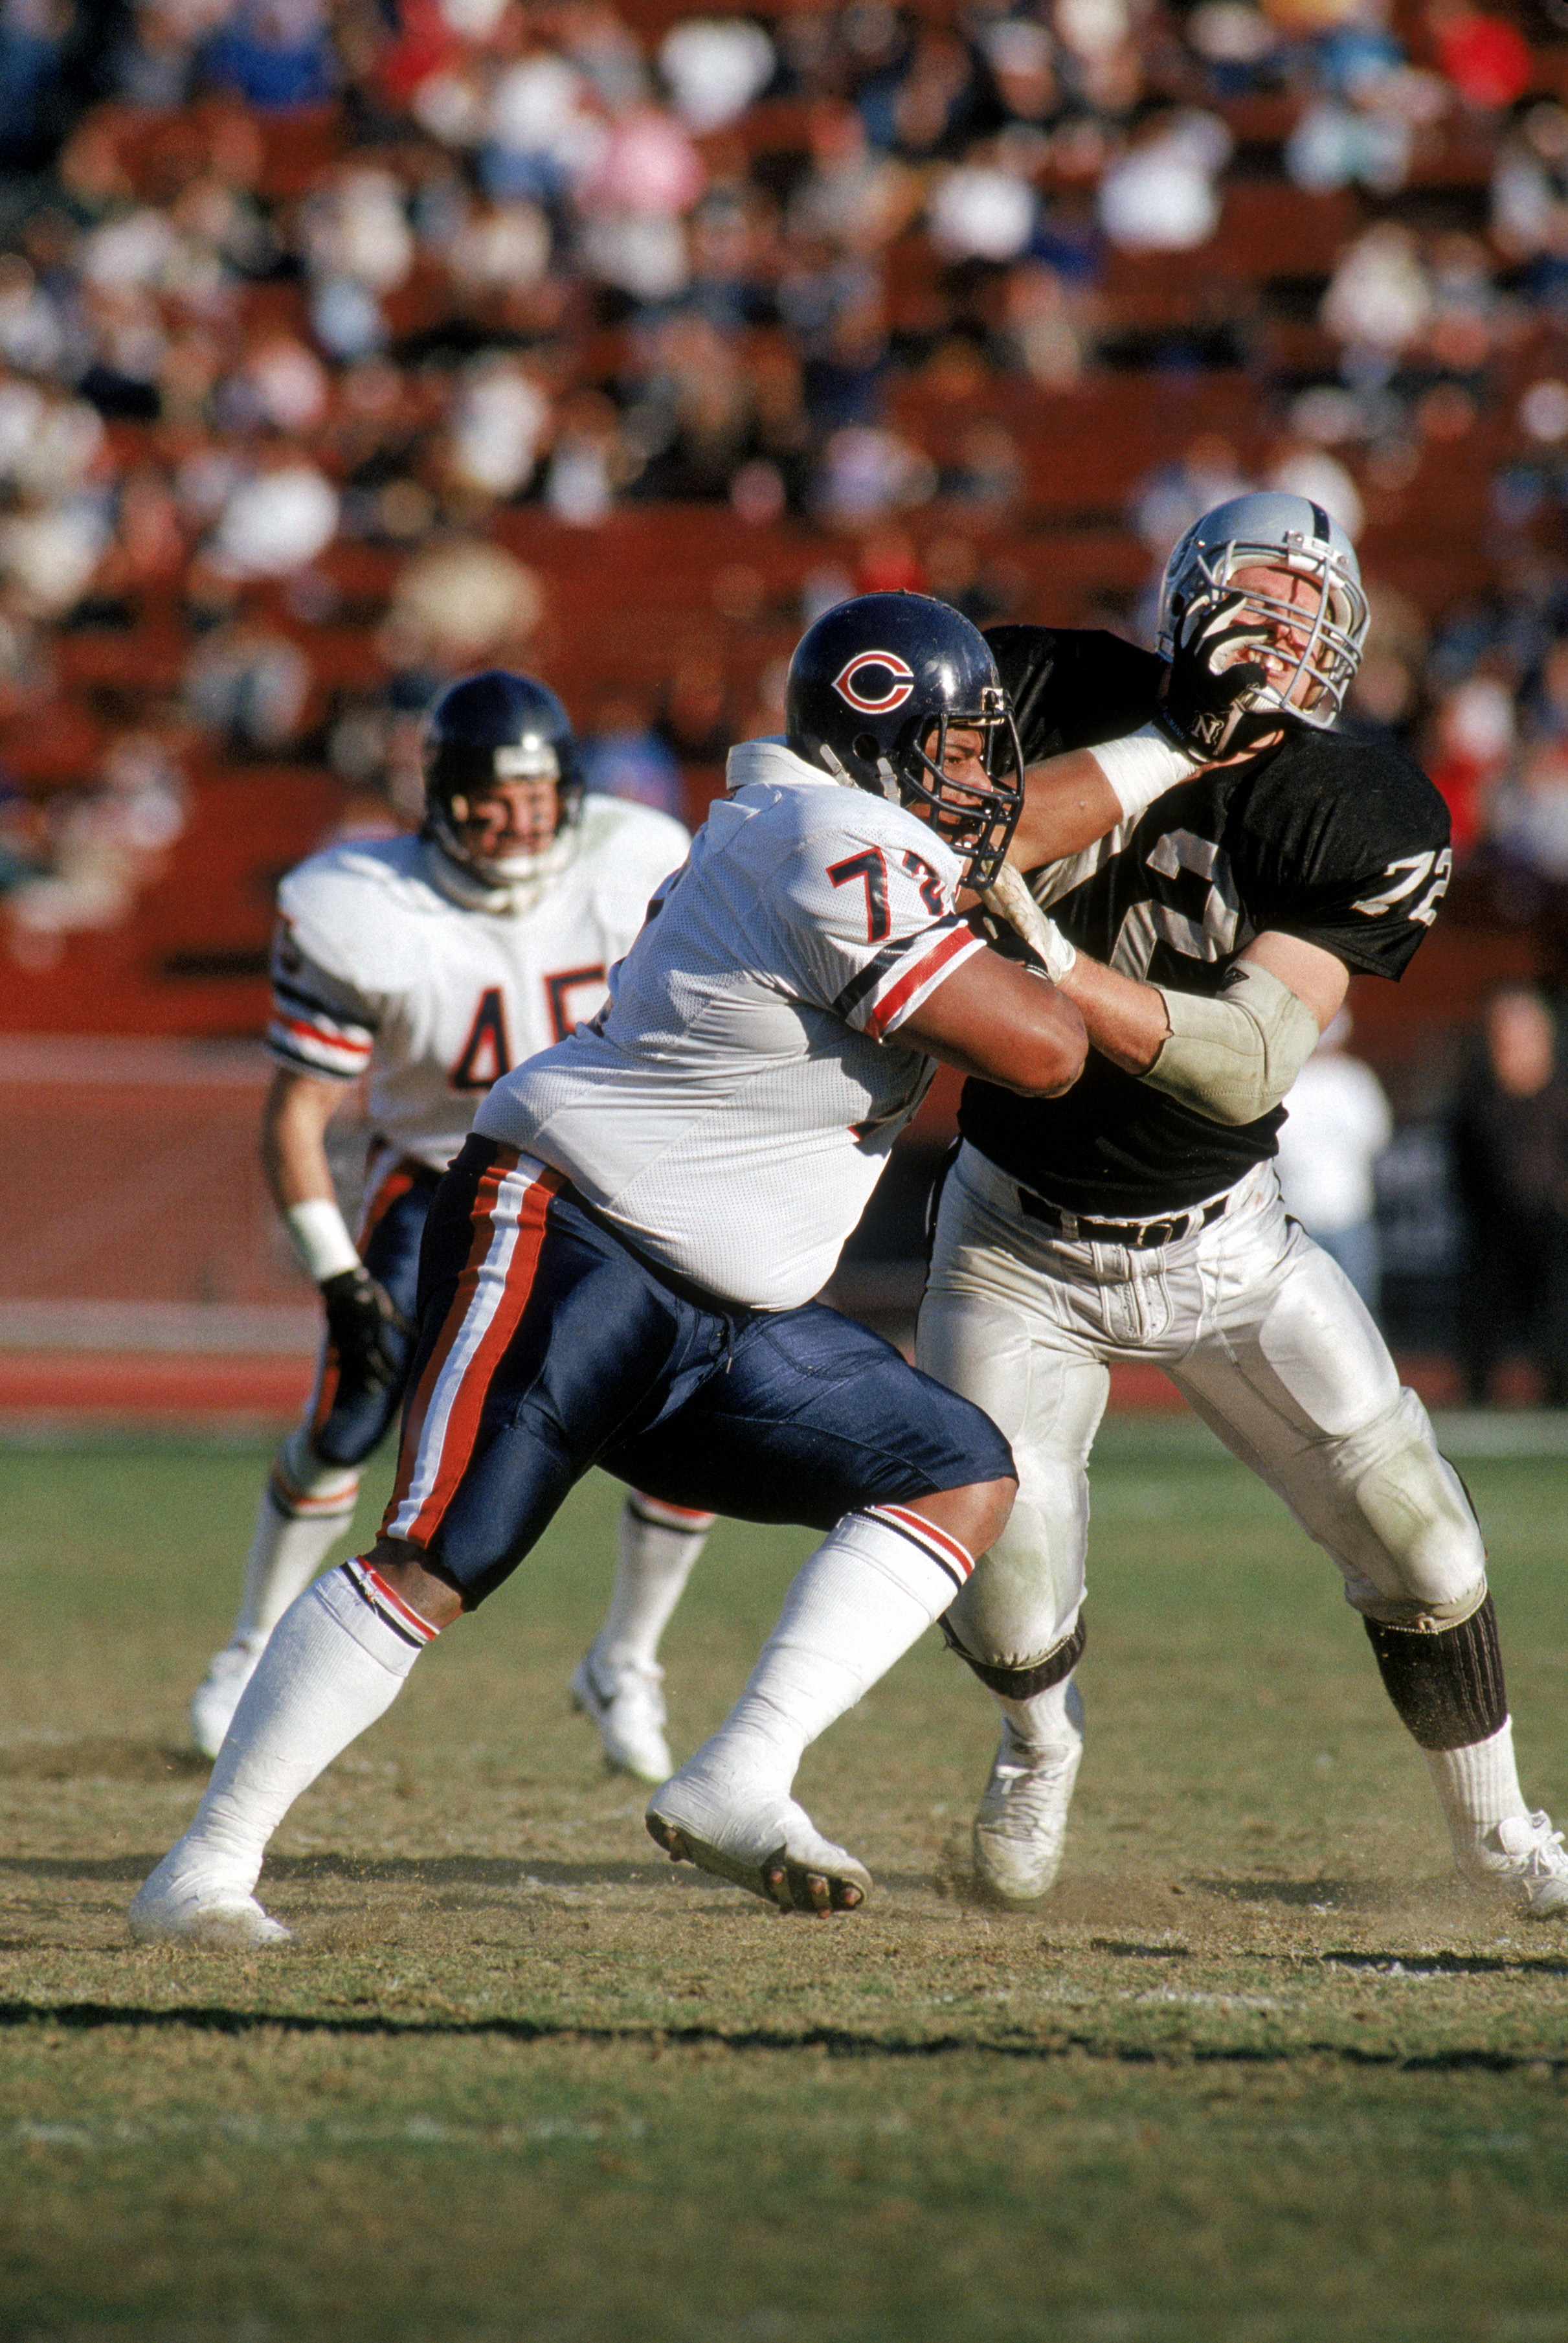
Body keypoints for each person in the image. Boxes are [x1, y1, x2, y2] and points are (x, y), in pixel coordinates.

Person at [129, 591, 1104, 1945]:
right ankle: (203, 1869)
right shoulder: (831, 841)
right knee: (439, 1557)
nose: (982, 781)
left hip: (727, 1307)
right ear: (878, 738)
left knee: (957, 1471)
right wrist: (1059, 957)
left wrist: (1180, 745)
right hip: (575, 1234)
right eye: (956, 747)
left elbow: (1024, 842)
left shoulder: (823, 833)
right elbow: (1046, 1052)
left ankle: (741, 1771)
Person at [915, 492, 1568, 1919]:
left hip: (1226, 1241)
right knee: (1005, 1582)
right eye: (1256, 591)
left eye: (1306, 606)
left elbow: (1246, 1061)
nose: (1278, 628)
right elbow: (901, 823)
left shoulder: (1359, 805)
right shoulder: (1040, 686)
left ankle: (1494, 1830)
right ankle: (1036, 1751)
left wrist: (1049, 958)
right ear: (1182, 597)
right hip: (1016, 1236)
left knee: (1425, 1538)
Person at [188, 669, 714, 1785]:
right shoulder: (356, 901)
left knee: (690, 1407)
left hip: (597, 1179)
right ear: (437, 798)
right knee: (352, 1414)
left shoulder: (638, 856)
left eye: (533, 800)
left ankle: (626, 1658)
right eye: (488, 801)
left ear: (568, 793)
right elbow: (295, 1116)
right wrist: (338, 1278)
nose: (514, 824)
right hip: (436, 1181)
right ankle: (248, 1647)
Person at [1451, 984, 1568, 1407]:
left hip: (1554, 1229)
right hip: (1492, 1229)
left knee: (1557, 1321)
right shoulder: (1477, 1094)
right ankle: (1478, 1397)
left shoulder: (1561, 1092)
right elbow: (1462, 1160)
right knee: (1483, 1322)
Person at [1272, 1009, 1393, 1320]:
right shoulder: (1287, 1083)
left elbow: (1377, 1136)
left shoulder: (1355, 1079)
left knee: (1360, 1311)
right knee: (1303, 1314)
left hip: (1349, 1212)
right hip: (1299, 1217)